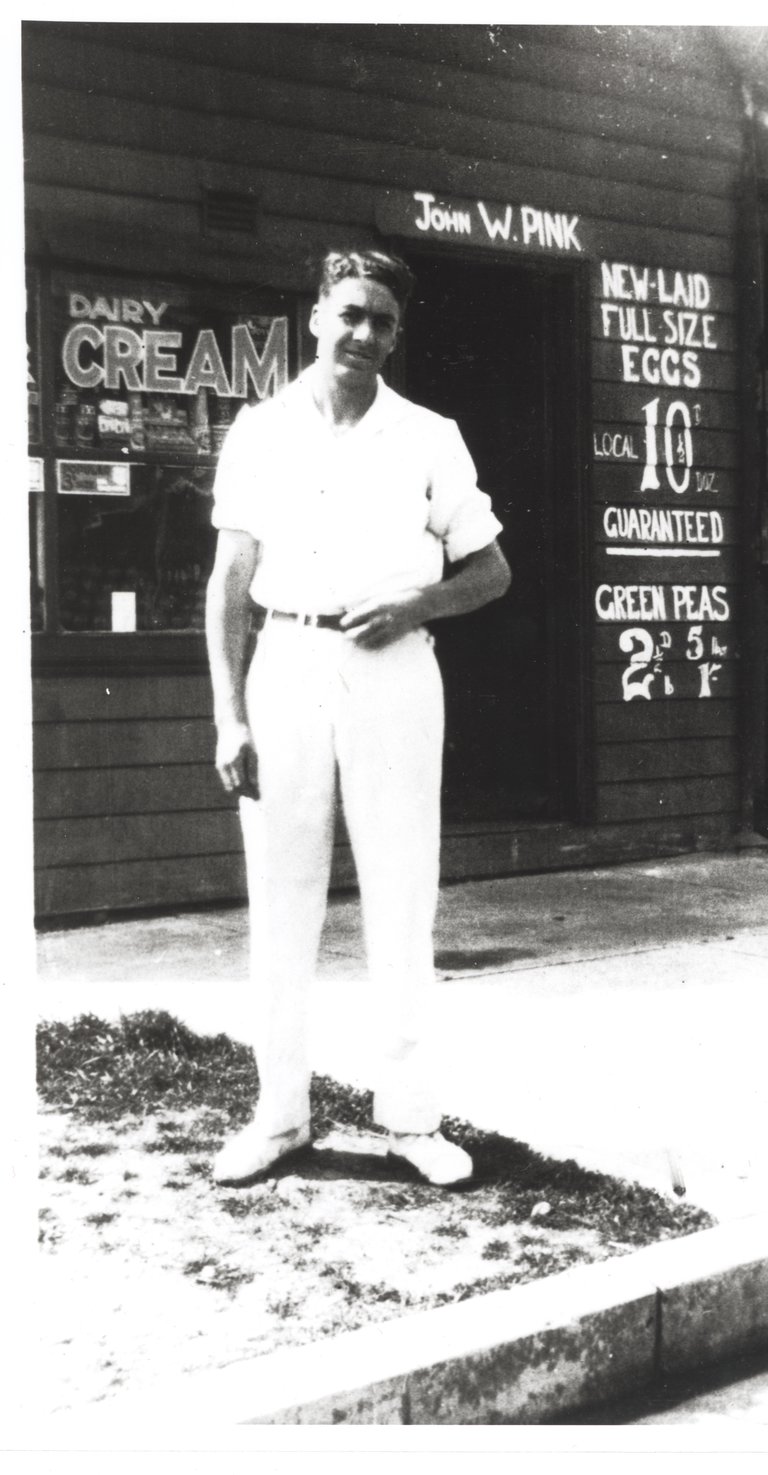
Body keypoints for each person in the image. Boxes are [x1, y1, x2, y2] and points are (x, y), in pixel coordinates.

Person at [205, 246, 511, 1188]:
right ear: (315, 315)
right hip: (286, 663)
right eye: (350, 313)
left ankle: (412, 1118)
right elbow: (229, 582)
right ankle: (280, 1114)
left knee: (401, 892)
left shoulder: (429, 435)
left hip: (394, 676)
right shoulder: (259, 430)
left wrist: (415, 607)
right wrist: (228, 716)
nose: (364, 333)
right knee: (282, 895)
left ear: (397, 332)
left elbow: (492, 571)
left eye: (382, 320)